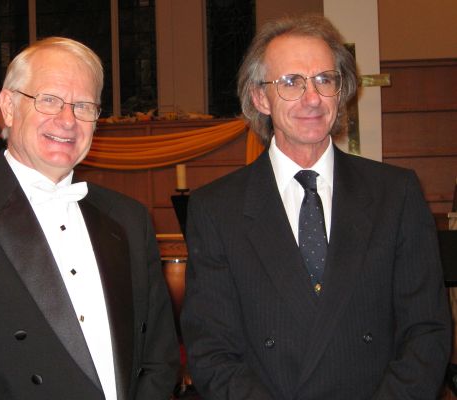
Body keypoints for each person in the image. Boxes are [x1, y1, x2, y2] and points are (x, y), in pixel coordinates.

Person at [180, 15, 451, 400]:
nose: (312, 98)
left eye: (325, 79)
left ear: (340, 93)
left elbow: (426, 331)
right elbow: (212, 351)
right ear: (260, 98)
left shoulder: (396, 193)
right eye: (291, 82)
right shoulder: (216, 209)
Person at [0, 37, 179, 400]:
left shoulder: (129, 218)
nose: (67, 120)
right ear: (8, 105)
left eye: (83, 106)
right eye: (49, 100)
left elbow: (158, 356)